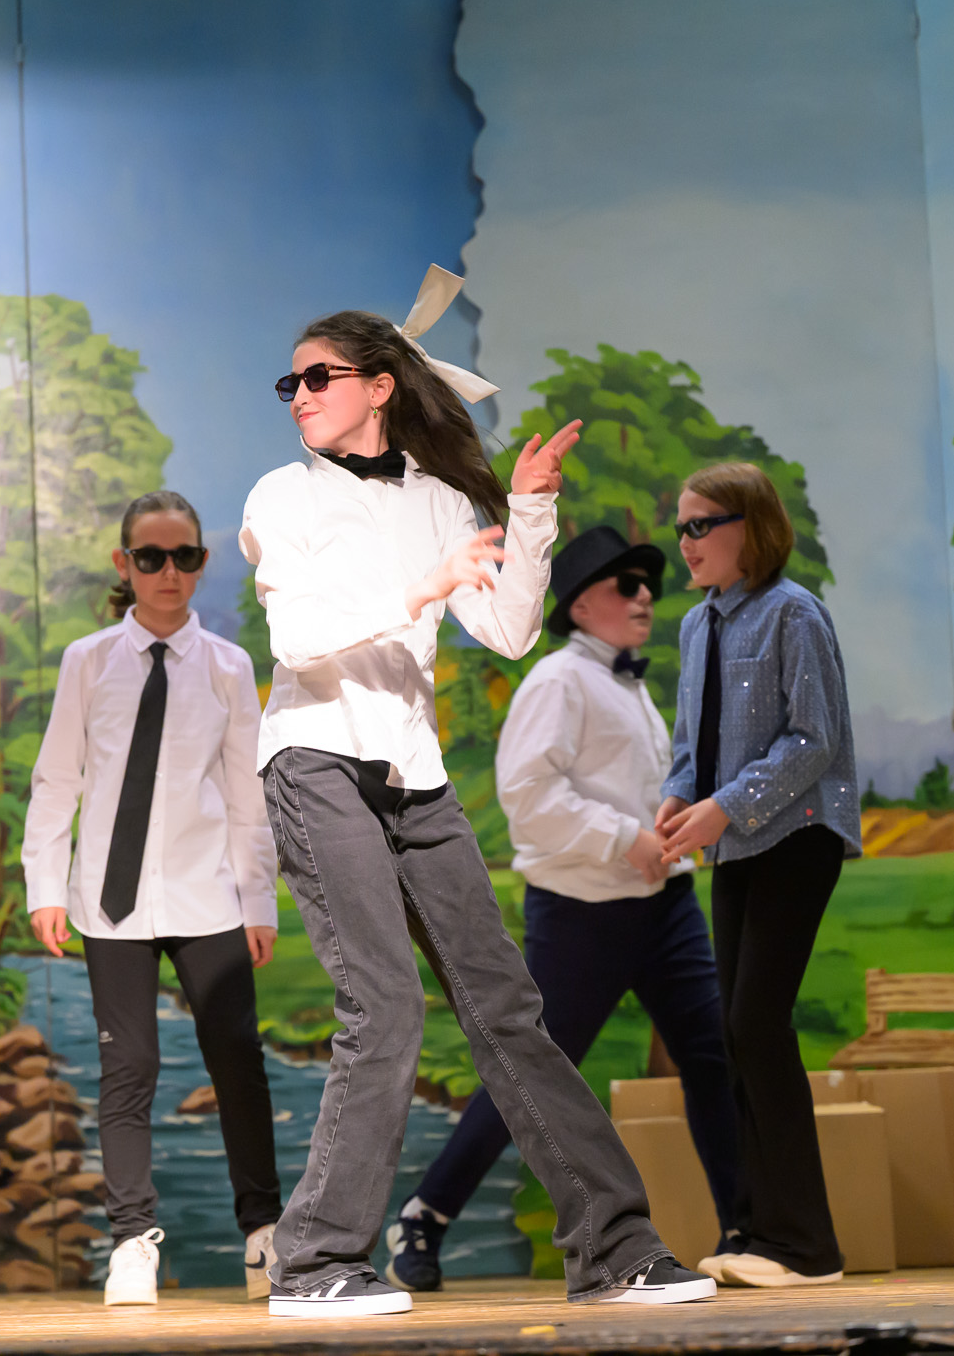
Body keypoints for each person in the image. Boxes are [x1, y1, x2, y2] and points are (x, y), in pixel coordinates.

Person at [241, 265, 714, 1316]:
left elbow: (505, 629)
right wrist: (421, 586)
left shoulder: (442, 501)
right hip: (315, 758)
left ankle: (614, 1248)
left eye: (316, 377)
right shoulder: (282, 496)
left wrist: (531, 512)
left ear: (378, 386)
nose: (298, 395)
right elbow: (300, 639)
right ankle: (313, 1263)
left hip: (414, 775)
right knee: (384, 1002)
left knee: (506, 1005)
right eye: (290, 383)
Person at [385, 525, 745, 1292]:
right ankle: (424, 1214)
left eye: (649, 585)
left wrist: (667, 823)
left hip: (667, 907)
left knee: (712, 1056)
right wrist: (625, 837)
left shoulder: (631, 687)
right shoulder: (555, 681)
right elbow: (528, 797)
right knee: (534, 1073)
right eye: (627, 585)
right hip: (583, 915)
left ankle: (743, 1228)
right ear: (581, 604)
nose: (645, 596)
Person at [23, 490, 283, 1306]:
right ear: (124, 563)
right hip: (112, 901)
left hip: (210, 895)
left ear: (202, 562)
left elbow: (247, 796)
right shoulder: (87, 660)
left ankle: (264, 1235)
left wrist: (259, 901)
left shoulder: (229, 667)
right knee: (128, 1066)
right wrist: (44, 886)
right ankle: (132, 1240)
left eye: (185, 556)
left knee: (236, 1059)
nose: (169, 572)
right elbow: (56, 779)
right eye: (151, 557)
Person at [657, 461, 859, 1289]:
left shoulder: (794, 612)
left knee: (757, 1022)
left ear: (752, 527)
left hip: (797, 836)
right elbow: (691, 741)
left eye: (701, 525)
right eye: (681, 527)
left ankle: (807, 1245)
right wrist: (679, 799)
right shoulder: (697, 625)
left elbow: (815, 739)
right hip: (736, 843)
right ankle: (758, 1230)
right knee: (738, 1032)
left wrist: (724, 805)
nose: (686, 541)